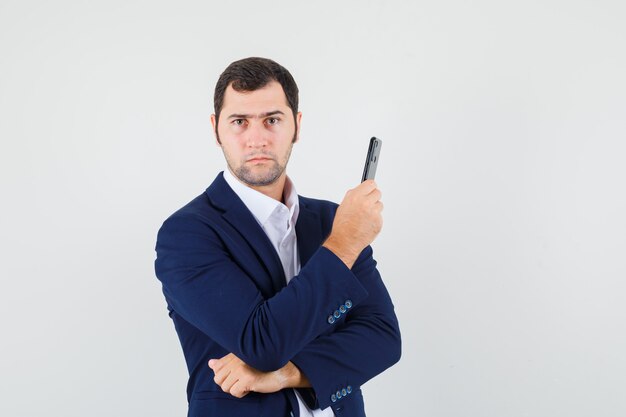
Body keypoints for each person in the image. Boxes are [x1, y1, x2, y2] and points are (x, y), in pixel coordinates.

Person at [154, 57, 401, 417]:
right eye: (239, 122)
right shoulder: (186, 234)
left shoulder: (334, 219)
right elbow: (261, 343)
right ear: (216, 129)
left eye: (272, 120)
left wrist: (289, 373)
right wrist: (344, 244)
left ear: (296, 126)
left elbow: (382, 339)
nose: (256, 138)